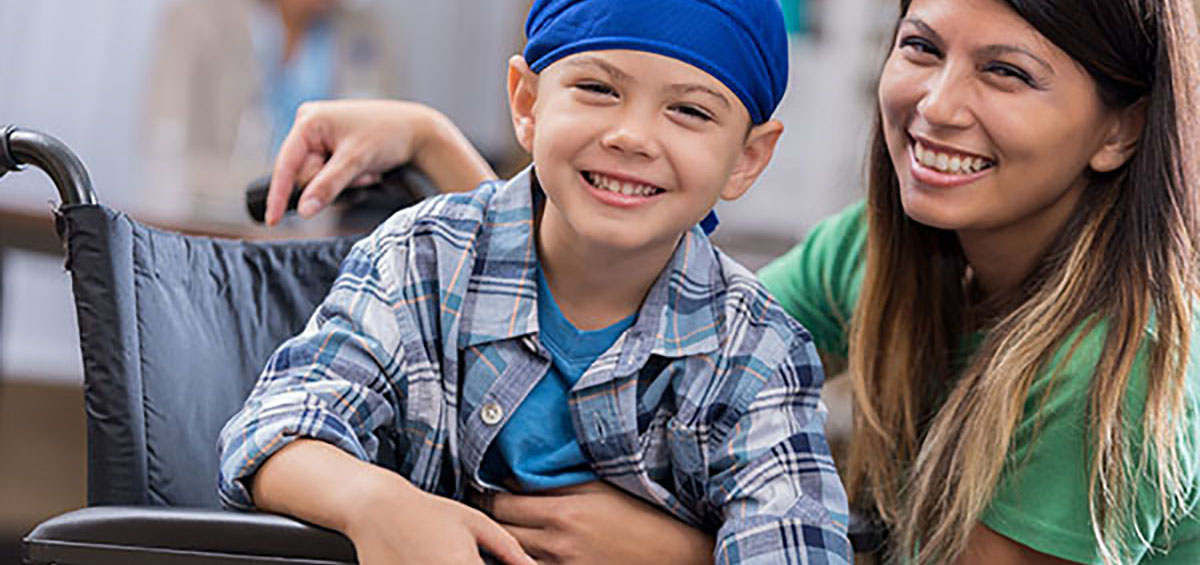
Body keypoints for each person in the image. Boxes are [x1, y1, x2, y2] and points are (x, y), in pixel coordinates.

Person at [259, 0, 1200, 562]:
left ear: (1121, 129)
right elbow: (620, 301)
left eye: (1007, 71)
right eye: (921, 47)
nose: (939, 104)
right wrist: (433, 143)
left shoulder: (1118, 363)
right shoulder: (872, 256)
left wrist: (687, 553)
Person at [217, 0, 853, 564]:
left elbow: (796, 543)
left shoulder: (759, 354)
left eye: (688, 111)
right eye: (598, 89)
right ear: (526, 103)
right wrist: (376, 503)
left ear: (747, 159)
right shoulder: (424, 257)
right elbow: (272, 428)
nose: (631, 136)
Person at [140, 0, 400, 222]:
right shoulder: (196, 23)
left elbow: (384, 152)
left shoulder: (366, 33)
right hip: (215, 231)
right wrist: (288, 188)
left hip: (326, 237)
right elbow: (166, 160)